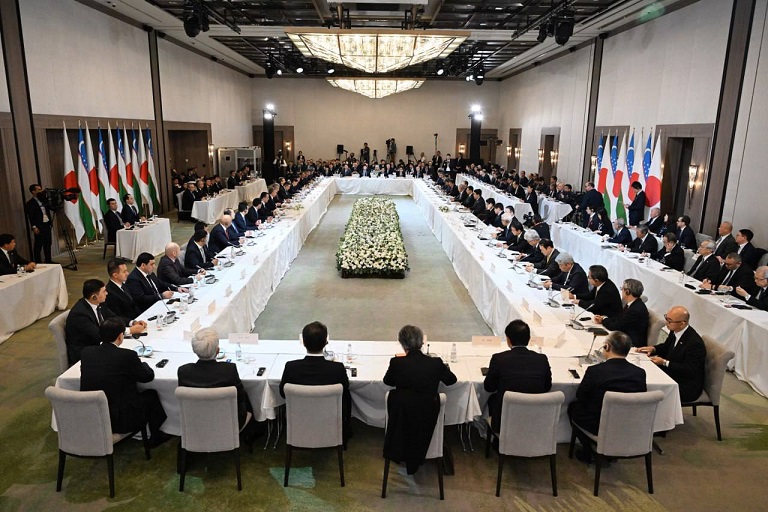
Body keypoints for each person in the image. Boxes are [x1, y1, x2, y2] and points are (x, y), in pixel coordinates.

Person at [80, 318, 169, 447]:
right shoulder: (127, 355)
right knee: (151, 395)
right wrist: (143, 364)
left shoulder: (86, 353)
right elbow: (147, 377)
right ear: (120, 336)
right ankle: (155, 436)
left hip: (92, 414)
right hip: (120, 419)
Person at [383, 325, 457, 474]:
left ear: (402, 344)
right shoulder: (435, 363)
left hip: (402, 424)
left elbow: (388, 381)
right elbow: (451, 380)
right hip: (428, 421)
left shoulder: (396, 363)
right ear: (422, 342)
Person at [568, 331, 647, 464]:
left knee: (572, 407)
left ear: (607, 347)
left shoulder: (595, 371)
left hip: (597, 423)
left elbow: (580, 396)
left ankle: (588, 451)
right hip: (628, 422)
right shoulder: (640, 373)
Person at [279, 321, 352, 443]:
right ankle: (345, 430)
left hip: (300, 416)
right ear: (325, 342)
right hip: (329, 416)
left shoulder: (291, 367)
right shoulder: (337, 368)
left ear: (303, 342)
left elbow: (282, 393)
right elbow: (345, 389)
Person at [178, 328, 256, 433]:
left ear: (194, 350)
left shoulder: (184, 371)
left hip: (196, 421)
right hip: (229, 422)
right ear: (218, 350)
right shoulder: (228, 370)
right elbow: (240, 396)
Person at [483, 320, 552, 433]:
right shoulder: (542, 359)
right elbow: (547, 387)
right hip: (534, 421)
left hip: (505, 423)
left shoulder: (499, 359)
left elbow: (489, 387)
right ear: (529, 339)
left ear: (508, 340)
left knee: (493, 399)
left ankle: (496, 438)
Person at [65, 279, 145, 366]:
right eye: (103, 292)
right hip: (86, 352)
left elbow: (114, 317)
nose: (107, 293)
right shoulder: (80, 315)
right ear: (94, 297)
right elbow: (99, 335)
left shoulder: (99, 303)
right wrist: (129, 331)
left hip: (101, 344)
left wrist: (132, 322)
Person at [638, 306, 706, 402]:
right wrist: (653, 349)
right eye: (666, 318)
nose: (666, 323)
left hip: (685, 385)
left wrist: (665, 362)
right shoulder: (675, 331)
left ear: (682, 324)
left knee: (647, 387)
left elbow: (689, 369)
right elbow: (666, 347)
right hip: (672, 372)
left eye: (669, 321)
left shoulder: (694, 344)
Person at [594, 278, 649, 347]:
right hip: (625, 335)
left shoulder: (635, 310)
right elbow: (619, 318)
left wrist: (603, 320)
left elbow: (616, 326)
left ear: (627, 292)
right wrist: (605, 318)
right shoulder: (633, 303)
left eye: (622, 289)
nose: (621, 291)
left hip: (632, 343)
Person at [25, 184, 53, 263]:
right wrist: (34, 227)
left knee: (48, 243)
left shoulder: (44, 200)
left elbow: (50, 208)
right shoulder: (30, 203)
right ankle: (38, 261)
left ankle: (48, 260)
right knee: (39, 244)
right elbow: (31, 216)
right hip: (39, 226)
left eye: (41, 189)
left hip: (46, 224)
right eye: (38, 189)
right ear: (33, 191)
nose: (41, 191)